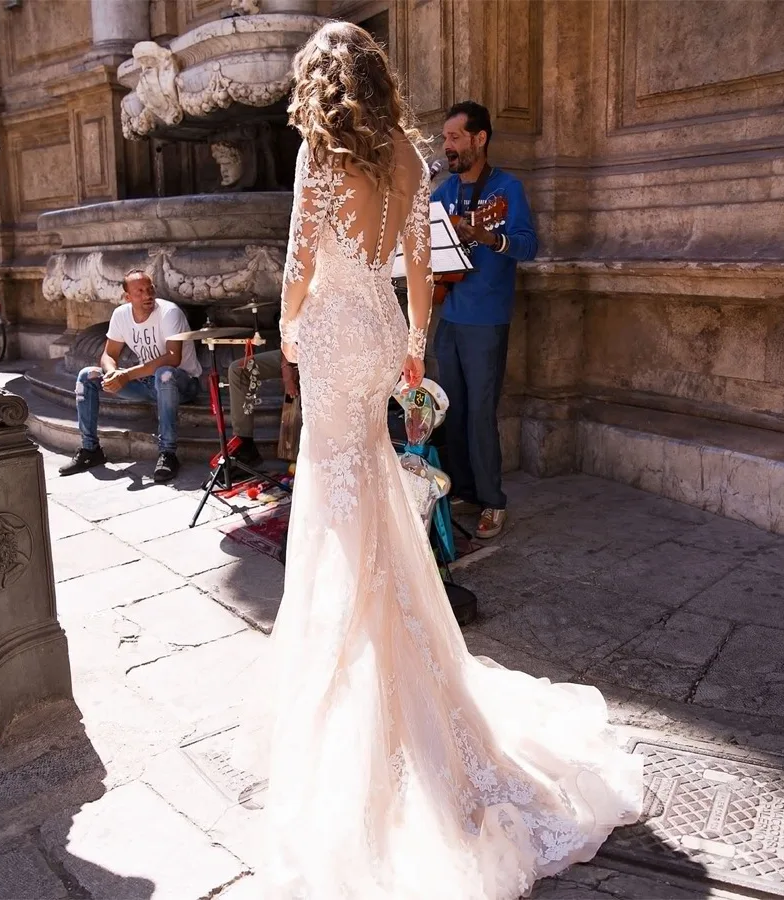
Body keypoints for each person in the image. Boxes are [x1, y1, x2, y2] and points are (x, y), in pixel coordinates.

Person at [249, 22, 641, 899]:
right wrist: (416, 345)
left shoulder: (322, 156)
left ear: (321, 86)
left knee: (335, 498)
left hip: (333, 335)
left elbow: (299, 265)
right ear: (378, 81)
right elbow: (419, 268)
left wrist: (286, 332)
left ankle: (354, 682)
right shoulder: (407, 161)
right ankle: (394, 658)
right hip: (386, 332)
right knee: (373, 488)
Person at [432, 101, 538, 540]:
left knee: (479, 414)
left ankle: (493, 501)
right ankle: (465, 488)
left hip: (486, 320)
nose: (447, 146)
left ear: (480, 139)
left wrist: (489, 237)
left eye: (455, 137)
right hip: (448, 315)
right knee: (449, 413)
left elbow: (528, 246)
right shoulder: (441, 193)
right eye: (444, 138)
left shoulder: (507, 189)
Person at [59, 270, 201, 482]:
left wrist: (127, 375)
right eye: (140, 291)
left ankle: (168, 453)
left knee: (164, 374)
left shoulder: (169, 312)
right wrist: (112, 373)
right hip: (147, 383)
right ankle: (90, 450)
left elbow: (173, 357)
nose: (147, 295)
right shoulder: (121, 315)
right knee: (87, 376)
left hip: (183, 383)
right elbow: (108, 354)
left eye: (150, 289)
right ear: (128, 298)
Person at [226, 349, 299, 471]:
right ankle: (245, 447)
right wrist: (287, 368)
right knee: (238, 369)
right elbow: (291, 336)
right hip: (295, 351)